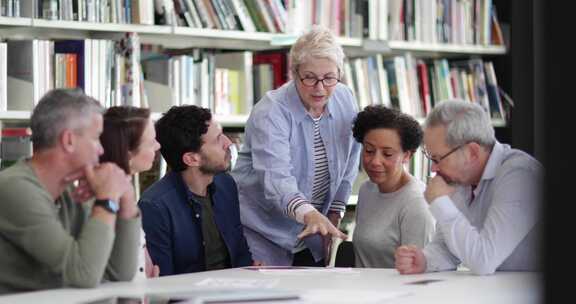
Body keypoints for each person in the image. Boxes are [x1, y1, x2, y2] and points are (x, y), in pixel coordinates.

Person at [231, 26, 361, 266]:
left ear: (340, 74)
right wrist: (310, 214)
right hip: (261, 230)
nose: (320, 88)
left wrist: (335, 211)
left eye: (329, 78)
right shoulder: (272, 111)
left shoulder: (345, 98)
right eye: (309, 77)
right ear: (294, 73)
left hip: (312, 231)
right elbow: (277, 180)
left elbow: (351, 160)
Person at [0, 89, 140, 294]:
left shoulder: (69, 192)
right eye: (96, 138)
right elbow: (84, 274)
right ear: (68, 140)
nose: (101, 150)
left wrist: (126, 196)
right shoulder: (14, 188)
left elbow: (118, 273)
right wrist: (106, 200)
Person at [395, 100, 542, 275]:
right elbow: (447, 248)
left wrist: (441, 203)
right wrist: (424, 260)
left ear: (472, 152)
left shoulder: (520, 175)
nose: (434, 168)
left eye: (438, 159)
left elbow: (484, 260)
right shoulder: (461, 178)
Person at [138, 105, 254, 276]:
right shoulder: (155, 207)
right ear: (192, 158)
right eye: (217, 140)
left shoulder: (226, 184)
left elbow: (240, 253)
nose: (228, 143)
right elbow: (163, 283)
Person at [351, 105, 435, 268]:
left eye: (387, 154)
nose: (375, 161)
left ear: (407, 155)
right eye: (369, 150)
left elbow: (419, 274)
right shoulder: (367, 189)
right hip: (361, 290)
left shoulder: (417, 203)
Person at [99, 106, 161, 279]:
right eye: (151, 142)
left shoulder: (127, 191)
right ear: (128, 154)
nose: (158, 146)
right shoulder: (104, 201)